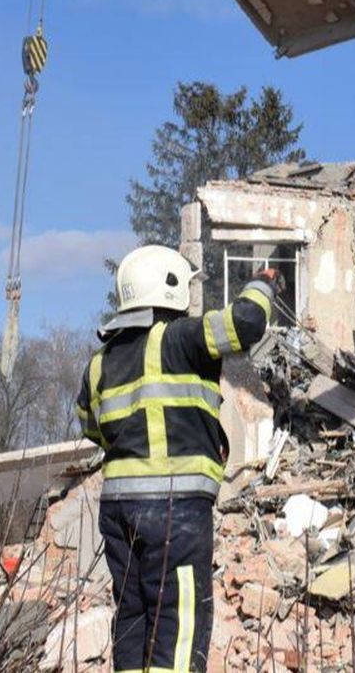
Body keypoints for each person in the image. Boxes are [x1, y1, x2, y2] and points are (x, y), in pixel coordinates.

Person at [77, 245, 277, 673]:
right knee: (180, 620)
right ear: (170, 289)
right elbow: (245, 322)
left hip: (118, 512)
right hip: (174, 508)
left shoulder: (99, 363)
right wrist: (264, 284)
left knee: (133, 617)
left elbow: (90, 426)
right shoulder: (182, 338)